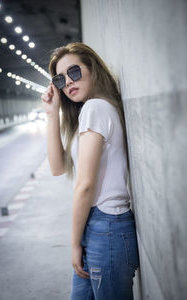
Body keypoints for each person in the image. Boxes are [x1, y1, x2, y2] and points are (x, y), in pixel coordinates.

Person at [41, 42, 140, 300]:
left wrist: (74, 244)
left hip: (106, 228)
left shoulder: (95, 108)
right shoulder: (92, 110)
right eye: (60, 79)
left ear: (92, 68)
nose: (68, 82)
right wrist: (53, 115)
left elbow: (85, 185)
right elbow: (57, 167)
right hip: (98, 227)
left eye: (74, 71)